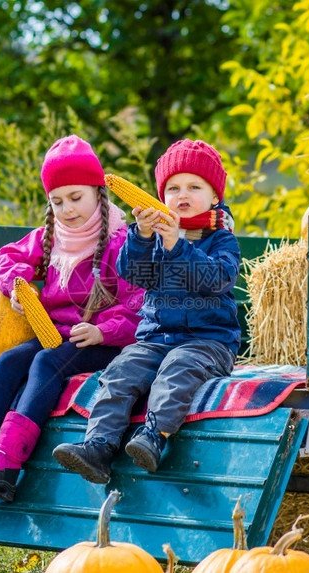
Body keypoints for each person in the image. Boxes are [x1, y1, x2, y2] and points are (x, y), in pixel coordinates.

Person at [0, 135, 143, 502]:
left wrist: (101, 330)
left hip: (102, 342)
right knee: (10, 360)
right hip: (57, 335)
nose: (68, 209)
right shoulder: (50, 238)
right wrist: (17, 287)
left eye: (76, 198)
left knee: (46, 362)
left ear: (98, 193)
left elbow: (137, 306)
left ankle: (6, 463)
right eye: (57, 201)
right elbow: (5, 258)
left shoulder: (120, 242)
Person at [52, 139, 241, 484]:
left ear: (215, 197)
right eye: (173, 188)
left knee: (177, 369)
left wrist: (178, 246)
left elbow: (217, 279)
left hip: (207, 341)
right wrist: (140, 235)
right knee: (120, 371)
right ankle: (98, 447)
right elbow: (133, 274)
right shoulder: (153, 236)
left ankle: (154, 437)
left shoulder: (221, 240)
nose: (182, 195)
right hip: (155, 337)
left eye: (194, 187)